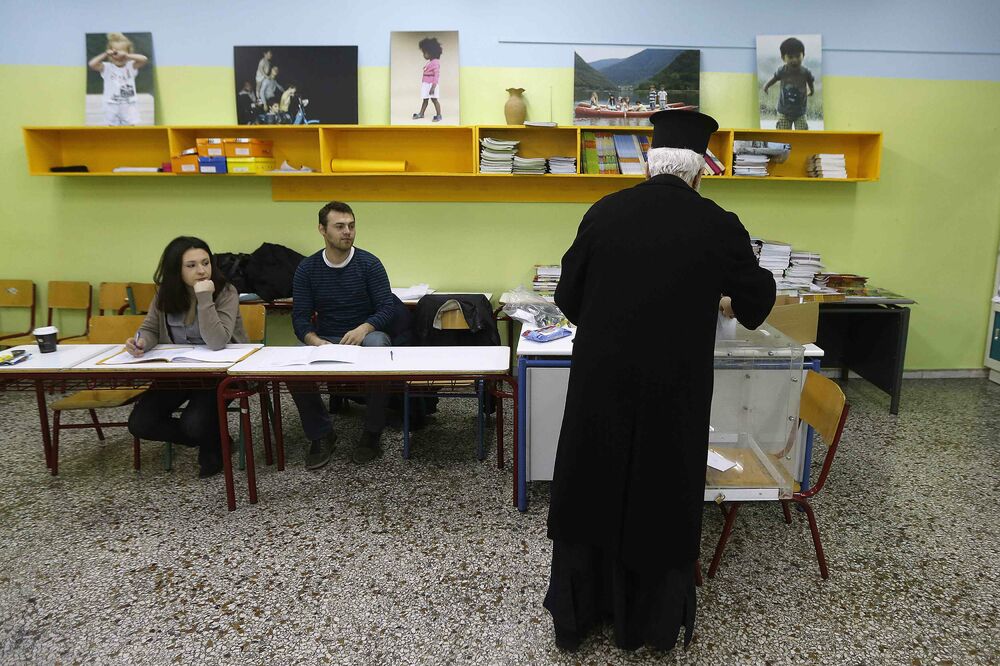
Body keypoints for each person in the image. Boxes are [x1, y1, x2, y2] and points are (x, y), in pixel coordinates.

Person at [543, 111, 776, 653]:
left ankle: (580, 618)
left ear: (649, 164)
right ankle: (650, 627)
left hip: (601, 387)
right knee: (661, 495)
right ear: (699, 172)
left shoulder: (604, 212)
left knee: (593, 487)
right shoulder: (719, 224)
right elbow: (755, 303)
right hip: (675, 392)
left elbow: (567, 299)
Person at [126, 237, 249, 478]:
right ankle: (212, 438)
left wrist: (204, 298)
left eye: (205, 263)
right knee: (140, 423)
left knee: (194, 423)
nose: (202, 271)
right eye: (191, 265)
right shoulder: (164, 293)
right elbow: (150, 328)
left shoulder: (225, 291)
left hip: (219, 374)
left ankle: (209, 440)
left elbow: (216, 341)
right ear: (176, 270)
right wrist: (141, 342)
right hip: (177, 373)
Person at [290, 201, 396, 468]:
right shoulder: (308, 268)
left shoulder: (369, 264)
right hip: (326, 337)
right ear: (322, 230)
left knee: (379, 345)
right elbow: (300, 318)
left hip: (364, 336)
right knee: (294, 364)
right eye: (339, 226)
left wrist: (365, 328)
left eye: (351, 226)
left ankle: (372, 433)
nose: (347, 231)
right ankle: (322, 434)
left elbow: (387, 307)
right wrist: (314, 340)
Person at [87, 32, 149, 126]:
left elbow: (144, 59)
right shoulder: (106, 67)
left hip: (129, 104)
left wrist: (126, 55)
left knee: (130, 126)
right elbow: (92, 64)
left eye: (122, 52)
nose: (119, 56)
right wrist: (105, 54)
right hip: (111, 104)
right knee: (111, 128)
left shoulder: (131, 66)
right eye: (115, 53)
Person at [762, 37, 815, 130]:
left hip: (800, 112)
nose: (794, 60)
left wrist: (812, 91)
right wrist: (766, 86)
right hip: (784, 111)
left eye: (798, 56)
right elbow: (774, 78)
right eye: (790, 57)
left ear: (803, 55)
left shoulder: (805, 72)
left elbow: (810, 82)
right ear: (783, 58)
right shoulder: (782, 71)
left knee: (802, 134)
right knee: (783, 134)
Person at [412, 37, 443, 122]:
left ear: (431, 53)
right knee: (425, 99)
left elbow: (436, 75)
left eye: (424, 53)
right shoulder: (430, 61)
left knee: (434, 99)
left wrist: (433, 87)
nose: (423, 55)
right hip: (426, 84)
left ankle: (439, 115)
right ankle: (421, 113)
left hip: (431, 84)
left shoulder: (435, 62)